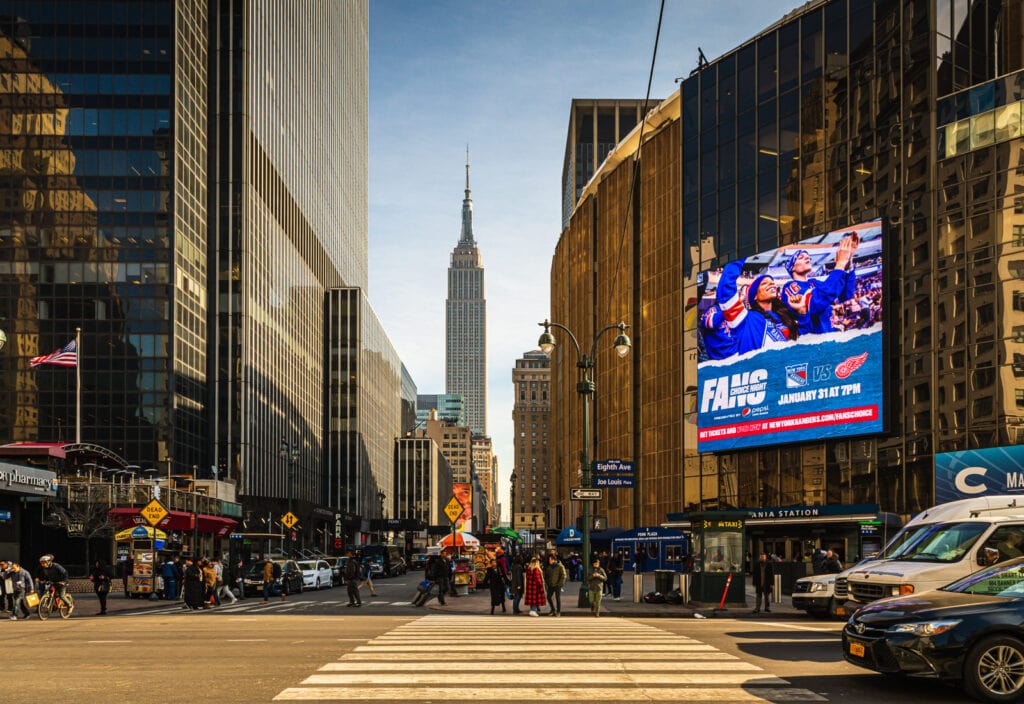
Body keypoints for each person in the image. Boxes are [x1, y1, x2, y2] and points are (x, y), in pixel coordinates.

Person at [715, 259, 799, 354]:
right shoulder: (745, 319)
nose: (772, 283)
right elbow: (725, 292)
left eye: (772, 282)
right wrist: (738, 255)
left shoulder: (785, 317)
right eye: (764, 283)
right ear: (755, 296)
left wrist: (802, 311)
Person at [781, 232, 859, 335]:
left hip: (830, 338)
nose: (807, 258)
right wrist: (840, 264)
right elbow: (815, 304)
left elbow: (845, 295)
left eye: (808, 257)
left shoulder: (814, 282)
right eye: (801, 257)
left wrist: (848, 264)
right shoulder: (790, 287)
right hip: (817, 344)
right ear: (792, 268)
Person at [543, 552, 566, 616]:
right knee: (548, 597)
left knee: (557, 598)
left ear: (553, 560)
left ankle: (558, 611)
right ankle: (553, 609)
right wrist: (548, 582)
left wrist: (560, 584)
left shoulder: (560, 566)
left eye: (550, 560)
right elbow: (546, 576)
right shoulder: (549, 567)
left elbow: (563, 575)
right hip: (551, 585)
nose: (549, 561)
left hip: (557, 585)